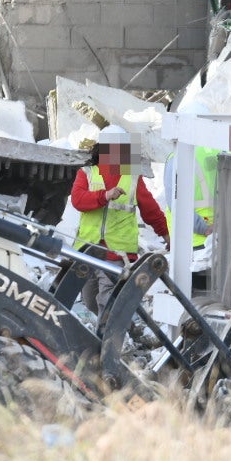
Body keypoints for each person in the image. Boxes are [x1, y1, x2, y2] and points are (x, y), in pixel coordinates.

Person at [71, 124, 169, 317]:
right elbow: (78, 200)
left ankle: (110, 343)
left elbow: (150, 210)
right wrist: (104, 195)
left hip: (117, 255)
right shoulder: (87, 173)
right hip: (89, 250)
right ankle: (118, 330)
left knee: (107, 302)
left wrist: (165, 233)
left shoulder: (132, 177)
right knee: (90, 301)